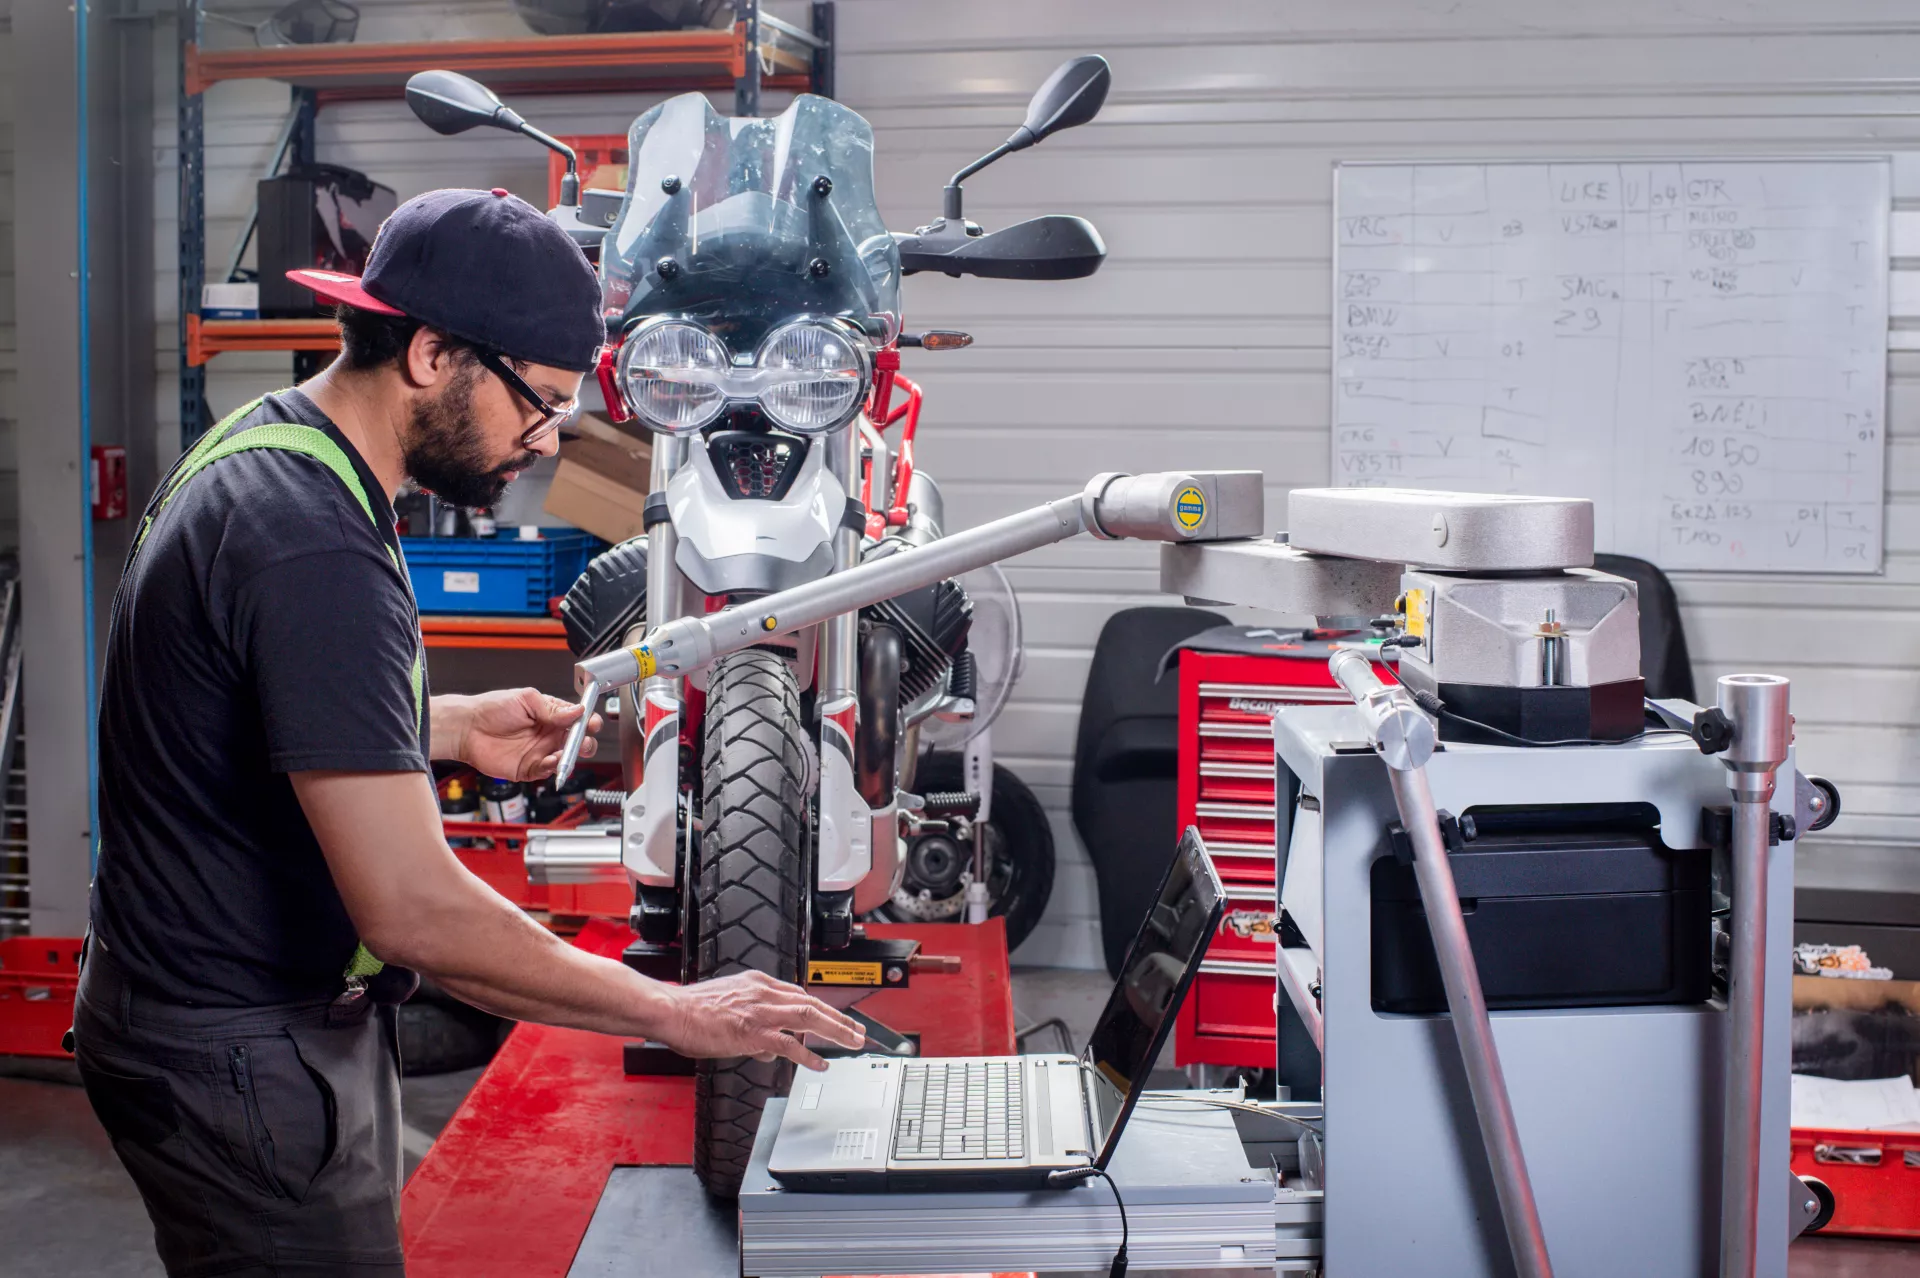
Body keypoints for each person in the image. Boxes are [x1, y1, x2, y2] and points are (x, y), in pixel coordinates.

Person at [75, 187, 863, 1277]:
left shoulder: (273, 453)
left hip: (197, 1017)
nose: (544, 446)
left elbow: (231, 713)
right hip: (239, 1054)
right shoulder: (313, 545)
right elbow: (415, 912)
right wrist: (673, 1010)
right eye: (535, 404)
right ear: (434, 354)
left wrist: (440, 728)